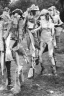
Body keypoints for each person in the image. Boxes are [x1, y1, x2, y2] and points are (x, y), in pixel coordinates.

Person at [31, 9, 57, 75]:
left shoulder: (51, 23)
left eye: (43, 15)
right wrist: (35, 30)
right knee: (39, 54)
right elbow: (40, 27)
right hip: (42, 40)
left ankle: (54, 70)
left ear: (46, 16)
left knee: (50, 55)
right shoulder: (42, 21)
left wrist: (54, 42)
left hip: (49, 40)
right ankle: (42, 68)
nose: (42, 17)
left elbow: (53, 33)